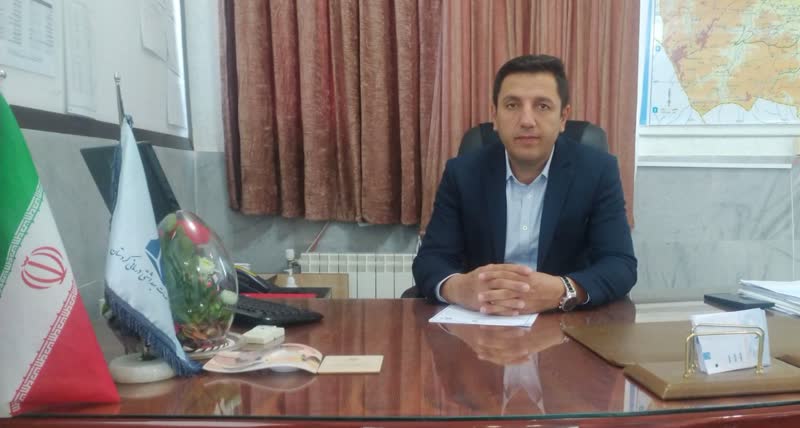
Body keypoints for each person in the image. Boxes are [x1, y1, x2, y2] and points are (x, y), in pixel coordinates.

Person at [412, 54, 636, 314]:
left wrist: (562, 289)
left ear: (563, 117)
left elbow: (620, 264)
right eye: (512, 105)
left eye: (542, 106)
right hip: (482, 320)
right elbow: (431, 259)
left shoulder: (597, 171)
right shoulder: (462, 173)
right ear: (495, 116)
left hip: (566, 321)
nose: (527, 121)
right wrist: (459, 288)